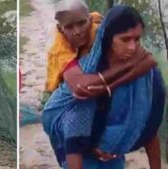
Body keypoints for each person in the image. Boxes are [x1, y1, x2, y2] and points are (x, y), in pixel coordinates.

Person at [42, 5, 165, 169]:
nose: (133, 48)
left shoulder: (146, 76)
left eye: (137, 39)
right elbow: (75, 123)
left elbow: (151, 124)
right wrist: (124, 73)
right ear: (108, 39)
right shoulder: (78, 64)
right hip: (82, 153)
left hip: (112, 154)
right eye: (125, 39)